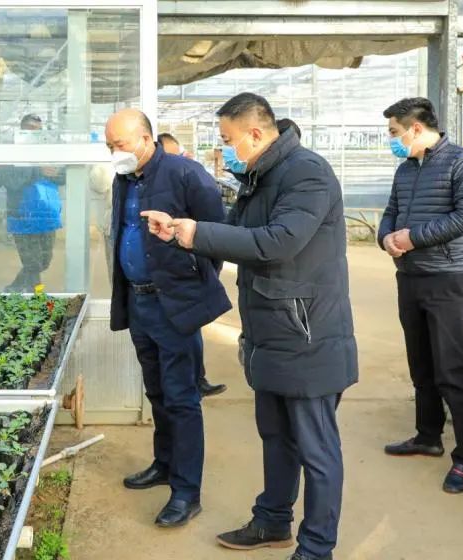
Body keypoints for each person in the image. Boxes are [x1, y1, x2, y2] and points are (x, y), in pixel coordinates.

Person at [143, 93, 358, 560]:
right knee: (276, 436)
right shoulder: (260, 177)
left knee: (316, 449)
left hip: (307, 334)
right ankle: (272, 521)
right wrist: (181, 231)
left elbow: (279, 242)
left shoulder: (307, 173)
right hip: (270, 331)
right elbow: (236, 232)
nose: (225, 149)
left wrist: (197, 233)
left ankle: (316, 548)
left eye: (228, 139)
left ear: (256, 134)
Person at [106, 108, 231, 528]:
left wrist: (192, 284)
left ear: (145, 139)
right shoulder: (125, 179)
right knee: (157, 391)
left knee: (181, 398)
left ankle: (186, 492)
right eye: (109, 146)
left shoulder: (185, 174)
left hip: (173, 304)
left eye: (120, 145)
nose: (114, 153)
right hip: (139, 301)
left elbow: (216, 234)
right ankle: (164, 464)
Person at [378, 97, 463, 494]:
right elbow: (390, 212)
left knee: (451, 371)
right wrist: (385, 238)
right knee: (421, 365)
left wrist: (414, 238)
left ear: (416, 128)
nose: (392, 140)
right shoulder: (406, 169)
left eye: (394, 132)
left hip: (448, 279)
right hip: (410, 278)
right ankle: (427, 436)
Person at [157, 132, 229, 398]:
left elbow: (214, 224)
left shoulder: (190, 174)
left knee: (188, 327)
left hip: (187, 269)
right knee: (178, 334)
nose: (176, 160)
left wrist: (209, 267)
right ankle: (189, 382)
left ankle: (196, 380)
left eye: (178, 154)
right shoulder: (146, 182)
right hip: (164, 276)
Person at [0, 114, 63, 292]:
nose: (34, 134)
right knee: (33, 264)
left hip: (46, 216)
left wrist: (56, 173)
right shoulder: (10, 154)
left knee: (44, 262)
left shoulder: (48, 152)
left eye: (38, 130)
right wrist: (38, 169)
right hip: (22, 217)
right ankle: (37, 296)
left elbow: (63, 177)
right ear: (21, 130)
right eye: (30, 129)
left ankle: (13, 289)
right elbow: (13, 182)